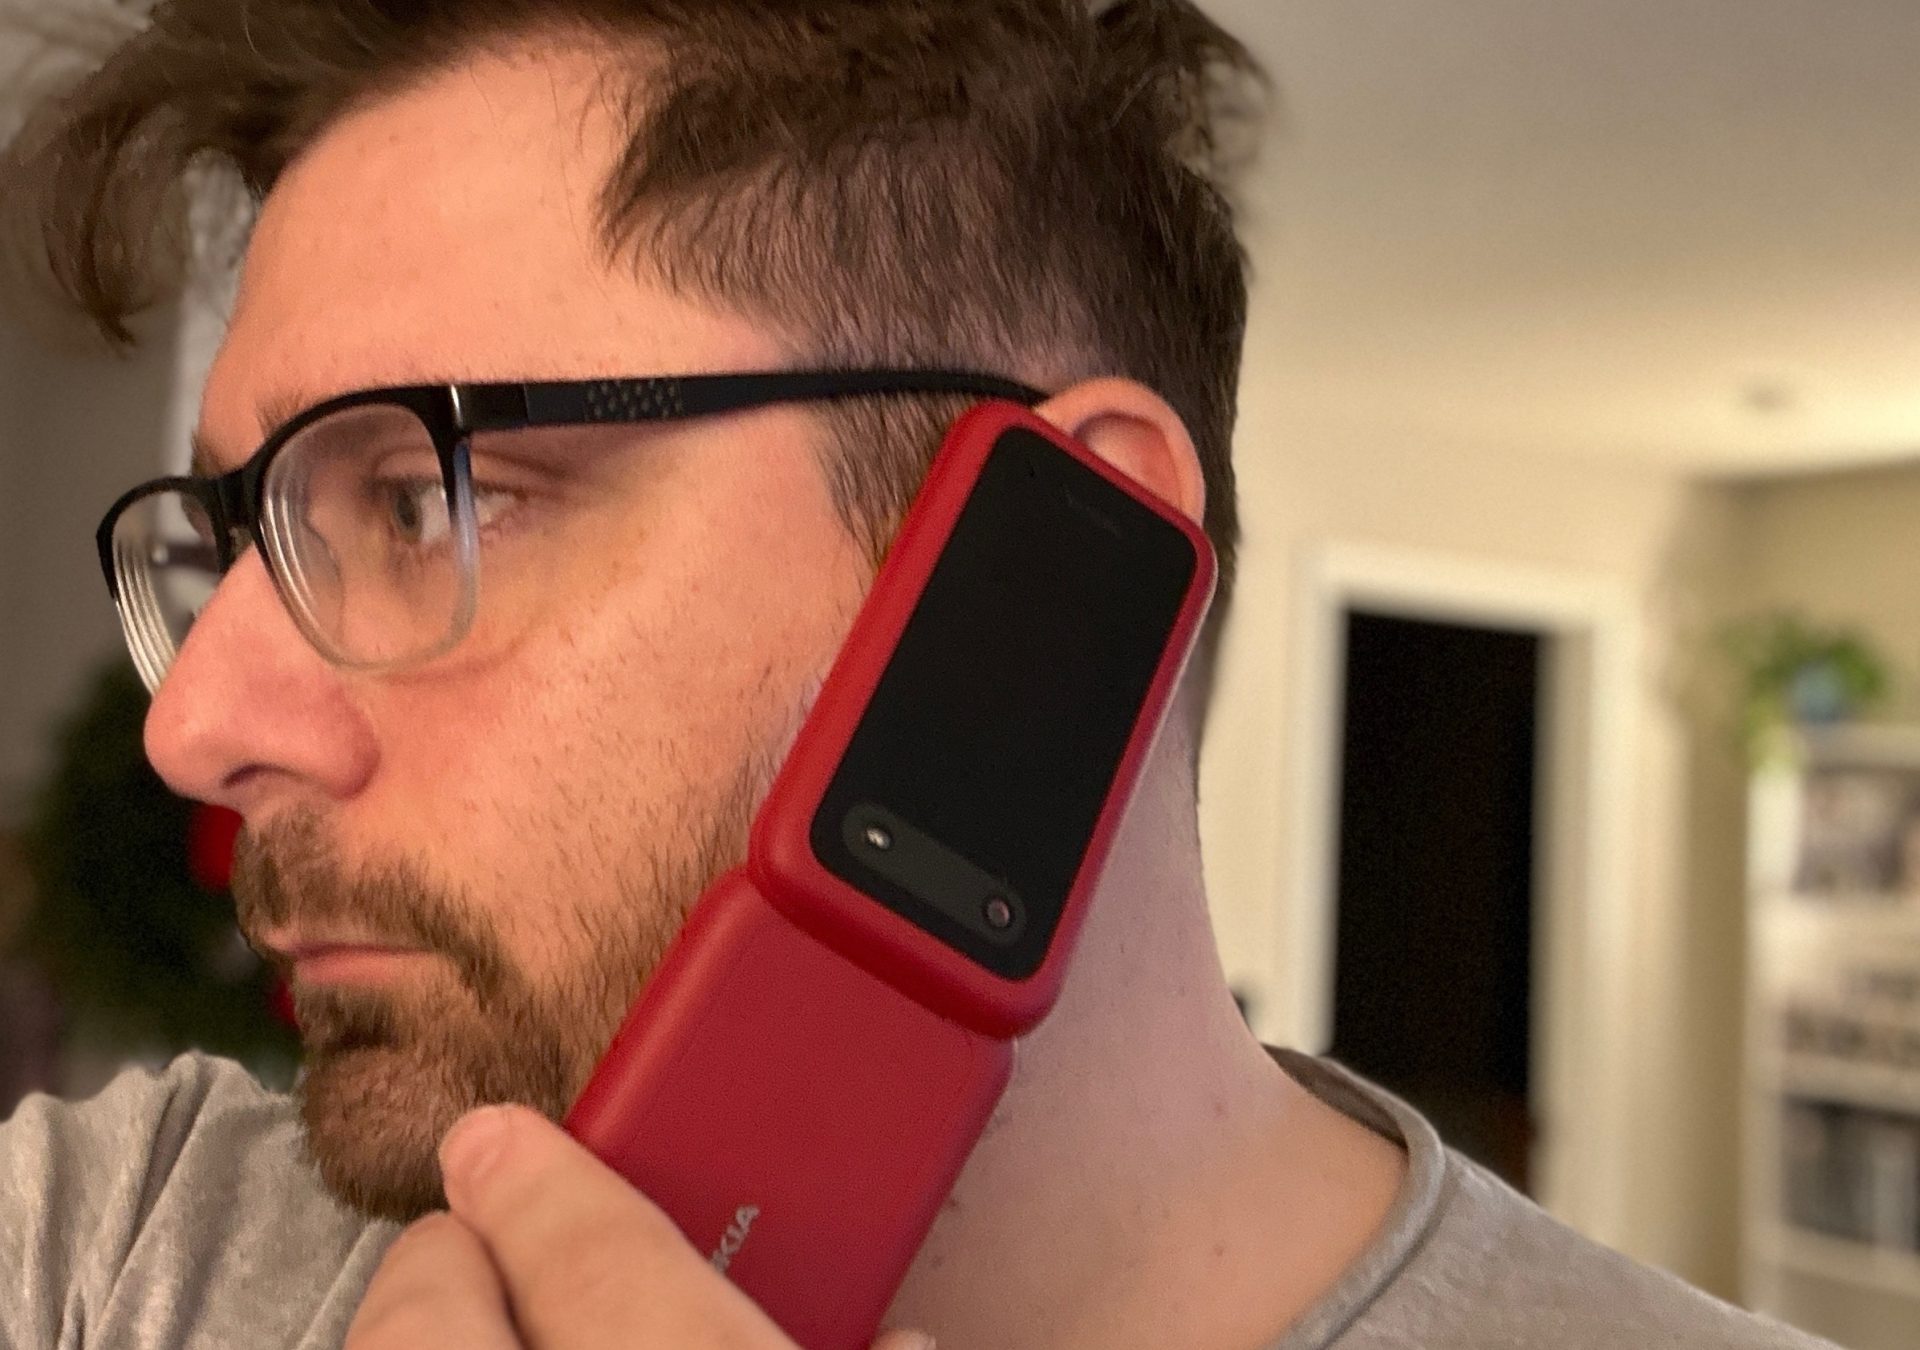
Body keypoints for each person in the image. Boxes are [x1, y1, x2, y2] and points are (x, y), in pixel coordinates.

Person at [0, 3, 1832, 1347]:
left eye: (418, 497)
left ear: (1047, 579)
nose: (198, 722)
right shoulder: (123, 1242)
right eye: (236, 541)